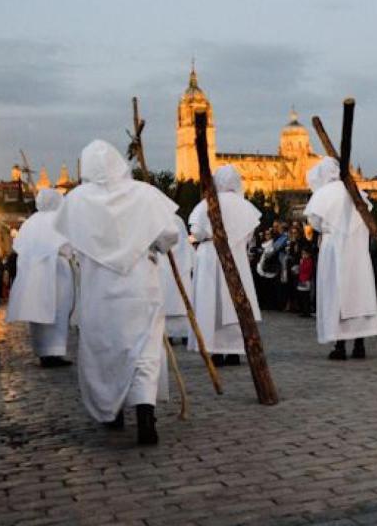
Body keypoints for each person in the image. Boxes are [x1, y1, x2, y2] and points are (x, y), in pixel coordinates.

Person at [54, 140, 178, 445]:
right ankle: (145, 413)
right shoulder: (145, 194)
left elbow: (66, 244)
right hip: (140, 285)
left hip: (99, 290)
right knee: (144, 350)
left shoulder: (76, 200)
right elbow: (170, 235)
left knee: (105, 348)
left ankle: (113, 410)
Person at [304, 158, 377, 359]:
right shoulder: (356, 192)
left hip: (334, 250)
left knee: (336, 293)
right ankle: (359, 344)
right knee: (357, 292)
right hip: (357, 249)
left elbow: (315, 222)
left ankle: (340, 344)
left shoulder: (323, 195)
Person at [188, 165, 262, 367]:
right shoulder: (245, 206)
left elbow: (198, 231)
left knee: (211, 302)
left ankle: (215, 350)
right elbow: (248, 235)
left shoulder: (207, 204)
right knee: (235, 303)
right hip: (236, 257)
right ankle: (234, 351)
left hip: (211, 257)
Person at [6, 188, 75, 367]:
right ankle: (55, 351)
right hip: (57, 271)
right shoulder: (59, 220)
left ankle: (43, 351)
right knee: (58, 310)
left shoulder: (30, 223)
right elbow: (68, 246)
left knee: (38, 312)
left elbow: (20, 248)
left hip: (34, 272)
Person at [159, 215, 194, 345]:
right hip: (171, 262)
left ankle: (173, 335)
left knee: (172, 299)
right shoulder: (177, 219)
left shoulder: (165, 217)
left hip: (168, 261)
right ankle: (181, 334)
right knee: (178, 301)